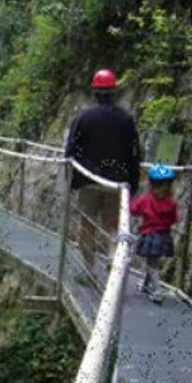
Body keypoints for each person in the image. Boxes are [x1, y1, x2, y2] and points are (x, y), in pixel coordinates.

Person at [64, 68, 142, 278]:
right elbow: (135, 153)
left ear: (94, 91)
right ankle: (113, 266)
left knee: (87, 225)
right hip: (117, 184)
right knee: (114, 227)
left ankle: (88, 269)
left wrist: (73, 180)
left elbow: (71, 150)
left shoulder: (84, 117)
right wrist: (132, 184)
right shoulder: (126, 119)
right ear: (114, 91)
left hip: (89, 181)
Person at [130, 164, 179, 302]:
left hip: (150, 235)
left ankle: (157, 290)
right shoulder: (171, 203)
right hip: (164, 236)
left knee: (152, 264)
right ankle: (146, 284)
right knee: (152, 261)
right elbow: (174, 219)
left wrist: (129, 199)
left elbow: (134, 210)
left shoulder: (147, 200)